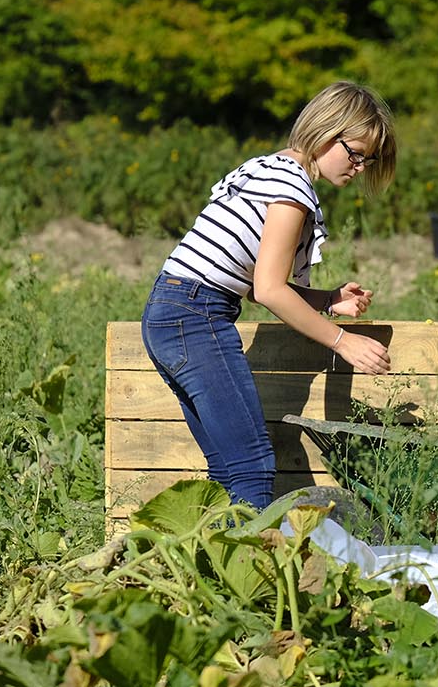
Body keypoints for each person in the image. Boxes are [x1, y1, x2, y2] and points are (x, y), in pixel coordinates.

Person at [143, 80, 397, 510]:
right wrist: (343, 340)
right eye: (355, 153)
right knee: (252, 465)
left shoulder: (267, 167)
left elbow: (253, 278)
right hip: (197, 315)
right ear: (325, 131)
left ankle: (212, 568)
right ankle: (249, 573)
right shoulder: (292, 188)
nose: (359, 168)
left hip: (170, 311)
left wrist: (326, 299)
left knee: (227, 466)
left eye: (367, 161)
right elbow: (270, 289)